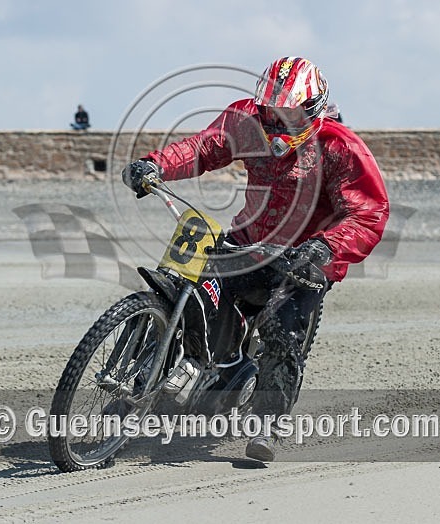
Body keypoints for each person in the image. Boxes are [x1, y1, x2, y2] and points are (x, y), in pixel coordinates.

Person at [122, 57, 389, 461]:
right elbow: (204, 148)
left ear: (314, 109)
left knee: (284, 334)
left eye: (290, 115)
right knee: (188, 290)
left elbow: (368, 212)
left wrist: (328, 247)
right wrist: (155, 165)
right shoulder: (245, 121)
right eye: (271, 114)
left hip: (305, 258)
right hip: (247, 241)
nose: (278, 125)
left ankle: (269, 422)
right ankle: (162, 376)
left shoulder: (339, 146)